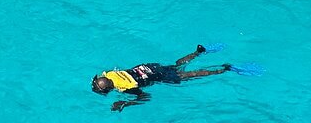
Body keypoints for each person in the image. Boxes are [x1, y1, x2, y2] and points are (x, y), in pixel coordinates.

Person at [91, 45, 230, 112]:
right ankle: (197, 52)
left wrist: (124, 104)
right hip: (150, 67)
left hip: (158, 75)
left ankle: (221, 70)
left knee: (188, 76)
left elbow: (145, 97)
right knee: (176, 65)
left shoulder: (127, 89)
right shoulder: (110, 74)